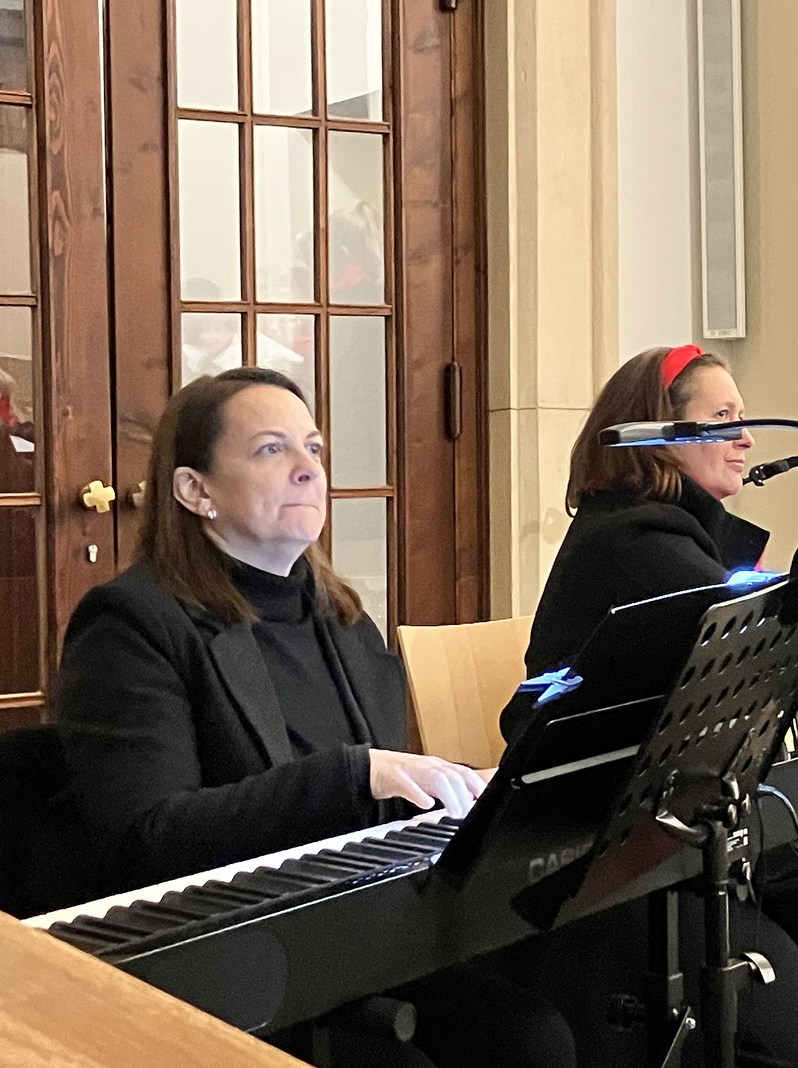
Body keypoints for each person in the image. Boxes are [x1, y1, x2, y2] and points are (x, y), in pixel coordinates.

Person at [56, 367, 575, 1068]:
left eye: (315, 448)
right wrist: (352, 775)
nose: (309, 469)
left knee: (536, 1030)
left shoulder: (344, 619)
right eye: (272, 449)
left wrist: (467, 790)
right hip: (235, 955)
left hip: (359, 929)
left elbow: (382, 801)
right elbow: (146, 840)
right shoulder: (133, 623)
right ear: (195, 491)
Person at [508, 345, 798, 1068]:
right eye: (723, 418)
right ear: (660, 433)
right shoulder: (636, 540)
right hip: (631, 847)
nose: (747, 437)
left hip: (697, 814)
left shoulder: (671, 532)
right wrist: (792, 592)